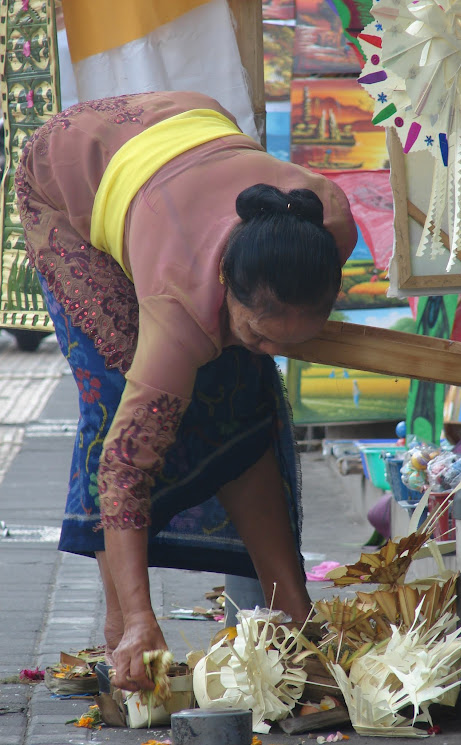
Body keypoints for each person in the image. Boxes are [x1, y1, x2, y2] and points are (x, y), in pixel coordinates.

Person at [16, 90, 357, 692]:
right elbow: (125, 468)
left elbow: (258, 340)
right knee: (123, 393)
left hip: (184, 125)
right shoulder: (177, 306)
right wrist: (147, 615)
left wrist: (250, 344)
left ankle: (295, 617)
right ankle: (125, 630)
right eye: (257, 330)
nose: (271, 350)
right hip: (65, 171)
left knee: (242, 385)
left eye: (290, 342)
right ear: (225, 282)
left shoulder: (329, 222)